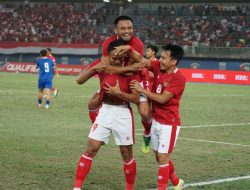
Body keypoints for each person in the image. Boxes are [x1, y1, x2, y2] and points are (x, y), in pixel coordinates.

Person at [114, 44, 186, 190]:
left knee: (163, 158)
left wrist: (142, 90)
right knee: (159, 157)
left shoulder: (178, 77)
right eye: (161, 57)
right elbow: (141, 59)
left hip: (169, 124)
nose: (160, 60)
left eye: (164, 58)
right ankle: (177, 182)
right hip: (156, 121)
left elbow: (162, 99)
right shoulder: (159, 67)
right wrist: (129, 48)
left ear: (174, 61)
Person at [73, 39, 140, 190]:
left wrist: (119, 93)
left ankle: (130, 187)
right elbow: (79, 80)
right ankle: (77, 187)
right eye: (113, 58)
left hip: (123, 113)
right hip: (105, 111)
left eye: (119, 58)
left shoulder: (131, 71)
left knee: (126, 153)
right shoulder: (101, 64)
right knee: (91, 148)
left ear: (124, 56)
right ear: (108, 55)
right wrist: (95, 69)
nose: (117, 61)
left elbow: (135, 99)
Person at [87, 16, 154, 154]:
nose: (127, 31)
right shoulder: (108, 43)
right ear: (116, 30)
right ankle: (99, 128)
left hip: (136, 77)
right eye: (123, 28)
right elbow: (106, 67)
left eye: (130, 28)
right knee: (93, 102)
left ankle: (147, 133)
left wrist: (129, 56)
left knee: (144, 112)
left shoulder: (138, 44)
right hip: (117, 76)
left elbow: (138, 66)